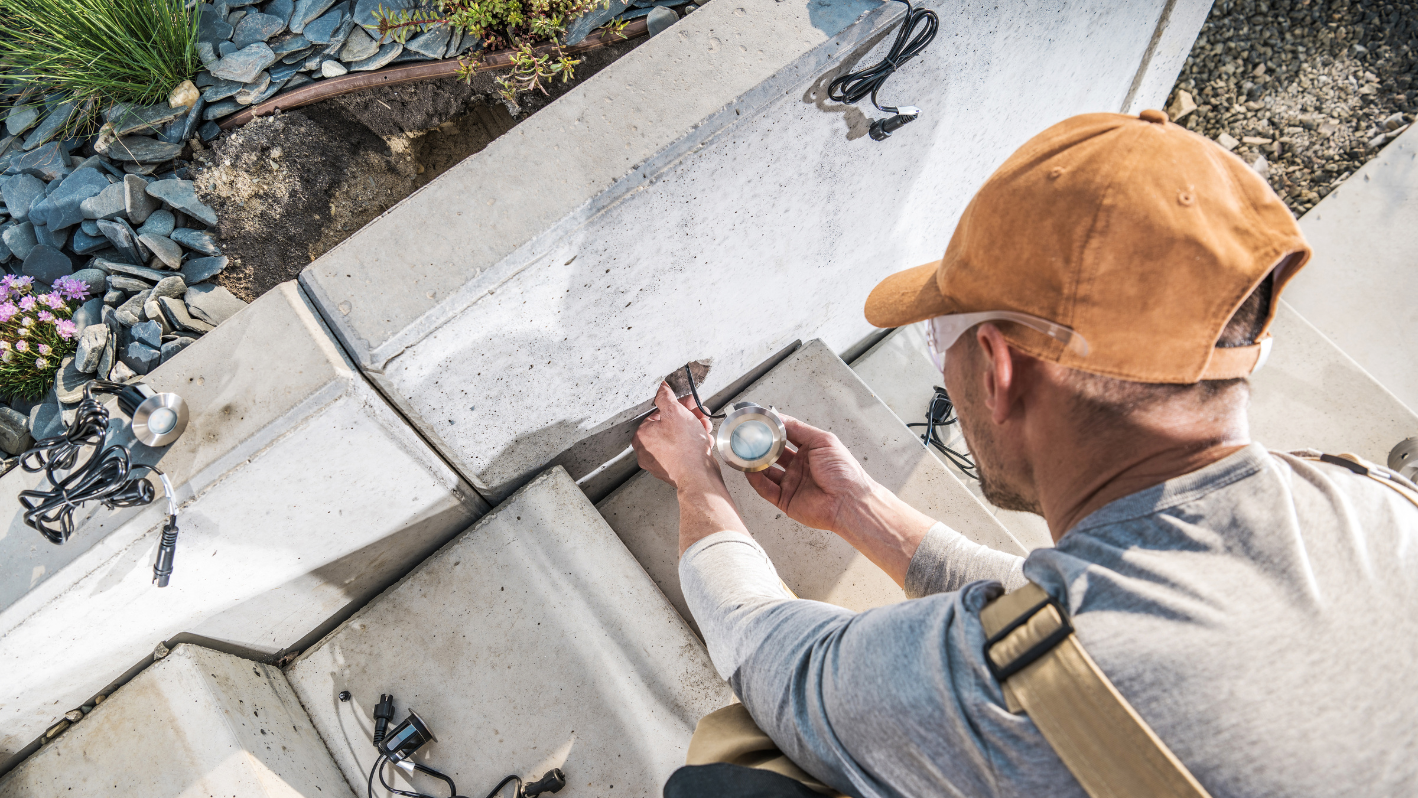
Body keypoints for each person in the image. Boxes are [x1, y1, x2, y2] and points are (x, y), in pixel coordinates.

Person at [631, 110, 1418, 797]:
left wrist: (697, 480)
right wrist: (859, 512)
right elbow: (1100, 639)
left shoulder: (978, 696)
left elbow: (775, 662)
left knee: (732, 776)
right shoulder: (1376, 503)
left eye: (940, 337)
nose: (940, 357)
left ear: (999, 371)